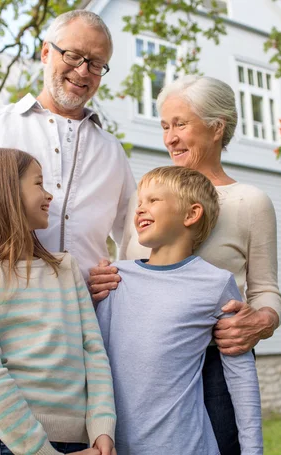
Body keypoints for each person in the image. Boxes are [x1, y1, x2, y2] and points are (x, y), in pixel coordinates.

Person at [0, 10, 135, 455]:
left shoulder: (111, 150)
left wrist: (122, 278)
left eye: (97, 64)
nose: (83, 72)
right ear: (45, 53)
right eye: (74, 56)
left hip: (77, 354)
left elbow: (137, 238)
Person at [89, 75, 281, 455]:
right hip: (140, 366)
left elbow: (265, 289)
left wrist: (261, 321)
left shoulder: (249, 202)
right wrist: (103, 281)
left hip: (215, 362)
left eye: (180, 124)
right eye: (164, 126)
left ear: (216, 127)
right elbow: (129, 265)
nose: (170, 138)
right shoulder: (148, 200)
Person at [0, 147, 116, 455]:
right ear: (4, 190)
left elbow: (93, 352)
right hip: (9, 444)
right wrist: (42, 451)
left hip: (83, 444)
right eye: (38, 183)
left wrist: (102, 428)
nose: (48, 195)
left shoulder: (65, 268)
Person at [96, 166, 263, 455]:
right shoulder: (113, 279)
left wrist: (253, 451)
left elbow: (241, 377)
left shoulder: (215, 283)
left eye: (153, 201)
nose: (139, 210)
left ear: (191, 214)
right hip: (116, 447)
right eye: (139, 203)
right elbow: (93, 361)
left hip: (187, 446)